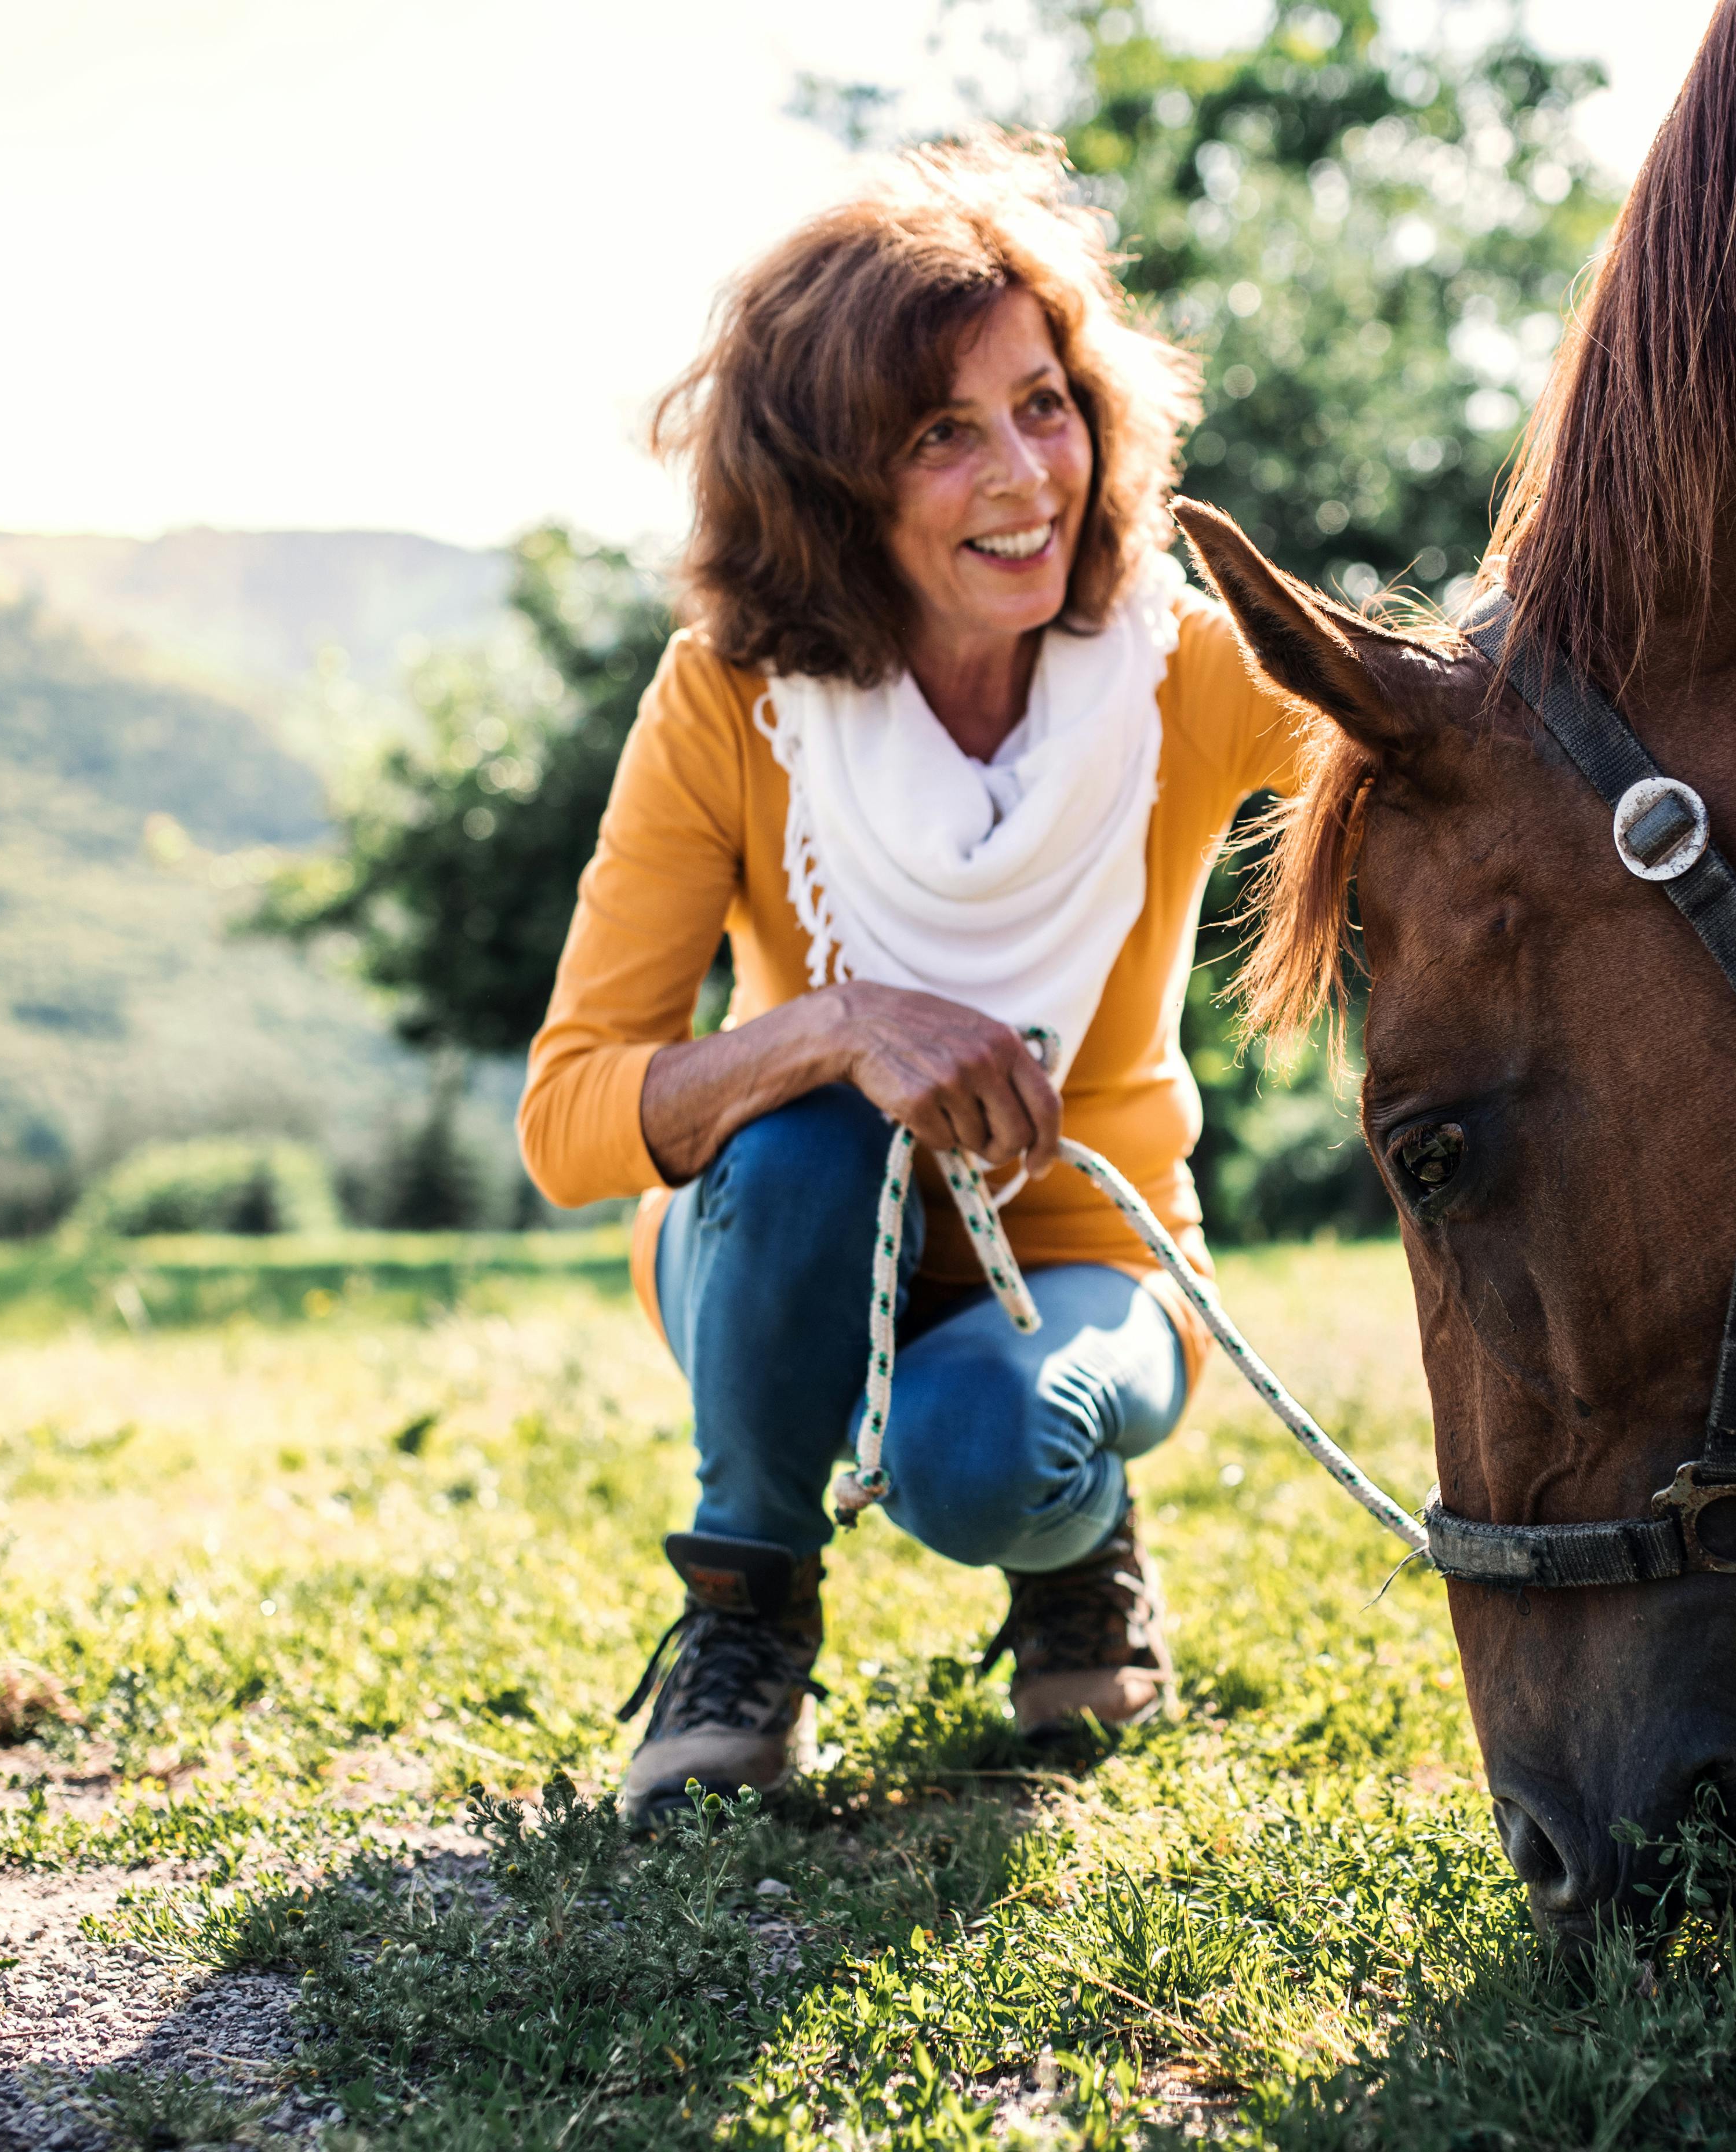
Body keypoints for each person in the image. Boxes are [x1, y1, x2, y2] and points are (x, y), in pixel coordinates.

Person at [517, 131, 1306, 1824]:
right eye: (940, 435)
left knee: (983, 1455)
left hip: (1091, 1256)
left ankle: (1076, 1543)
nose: (1027, 474)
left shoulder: (1190, 674)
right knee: (806, 1132)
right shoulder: (727, 703)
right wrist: (838, 1026)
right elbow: (571, 1124)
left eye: (1044, 403)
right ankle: (747, 1617)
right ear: (828, 489)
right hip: (775, 1278)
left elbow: (1464, 760)